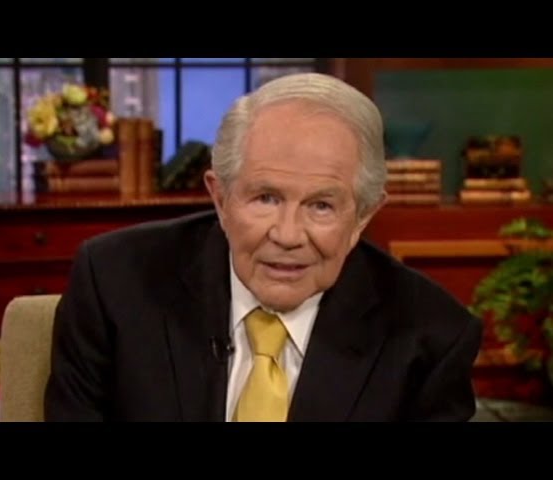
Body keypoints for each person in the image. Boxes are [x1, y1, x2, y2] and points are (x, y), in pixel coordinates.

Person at [44, 72, 482, 422]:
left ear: (362, 216)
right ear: (221, 198)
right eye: (266, 198)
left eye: (322, 206)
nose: (288, 235)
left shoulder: (431, 337)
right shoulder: (115, 283)